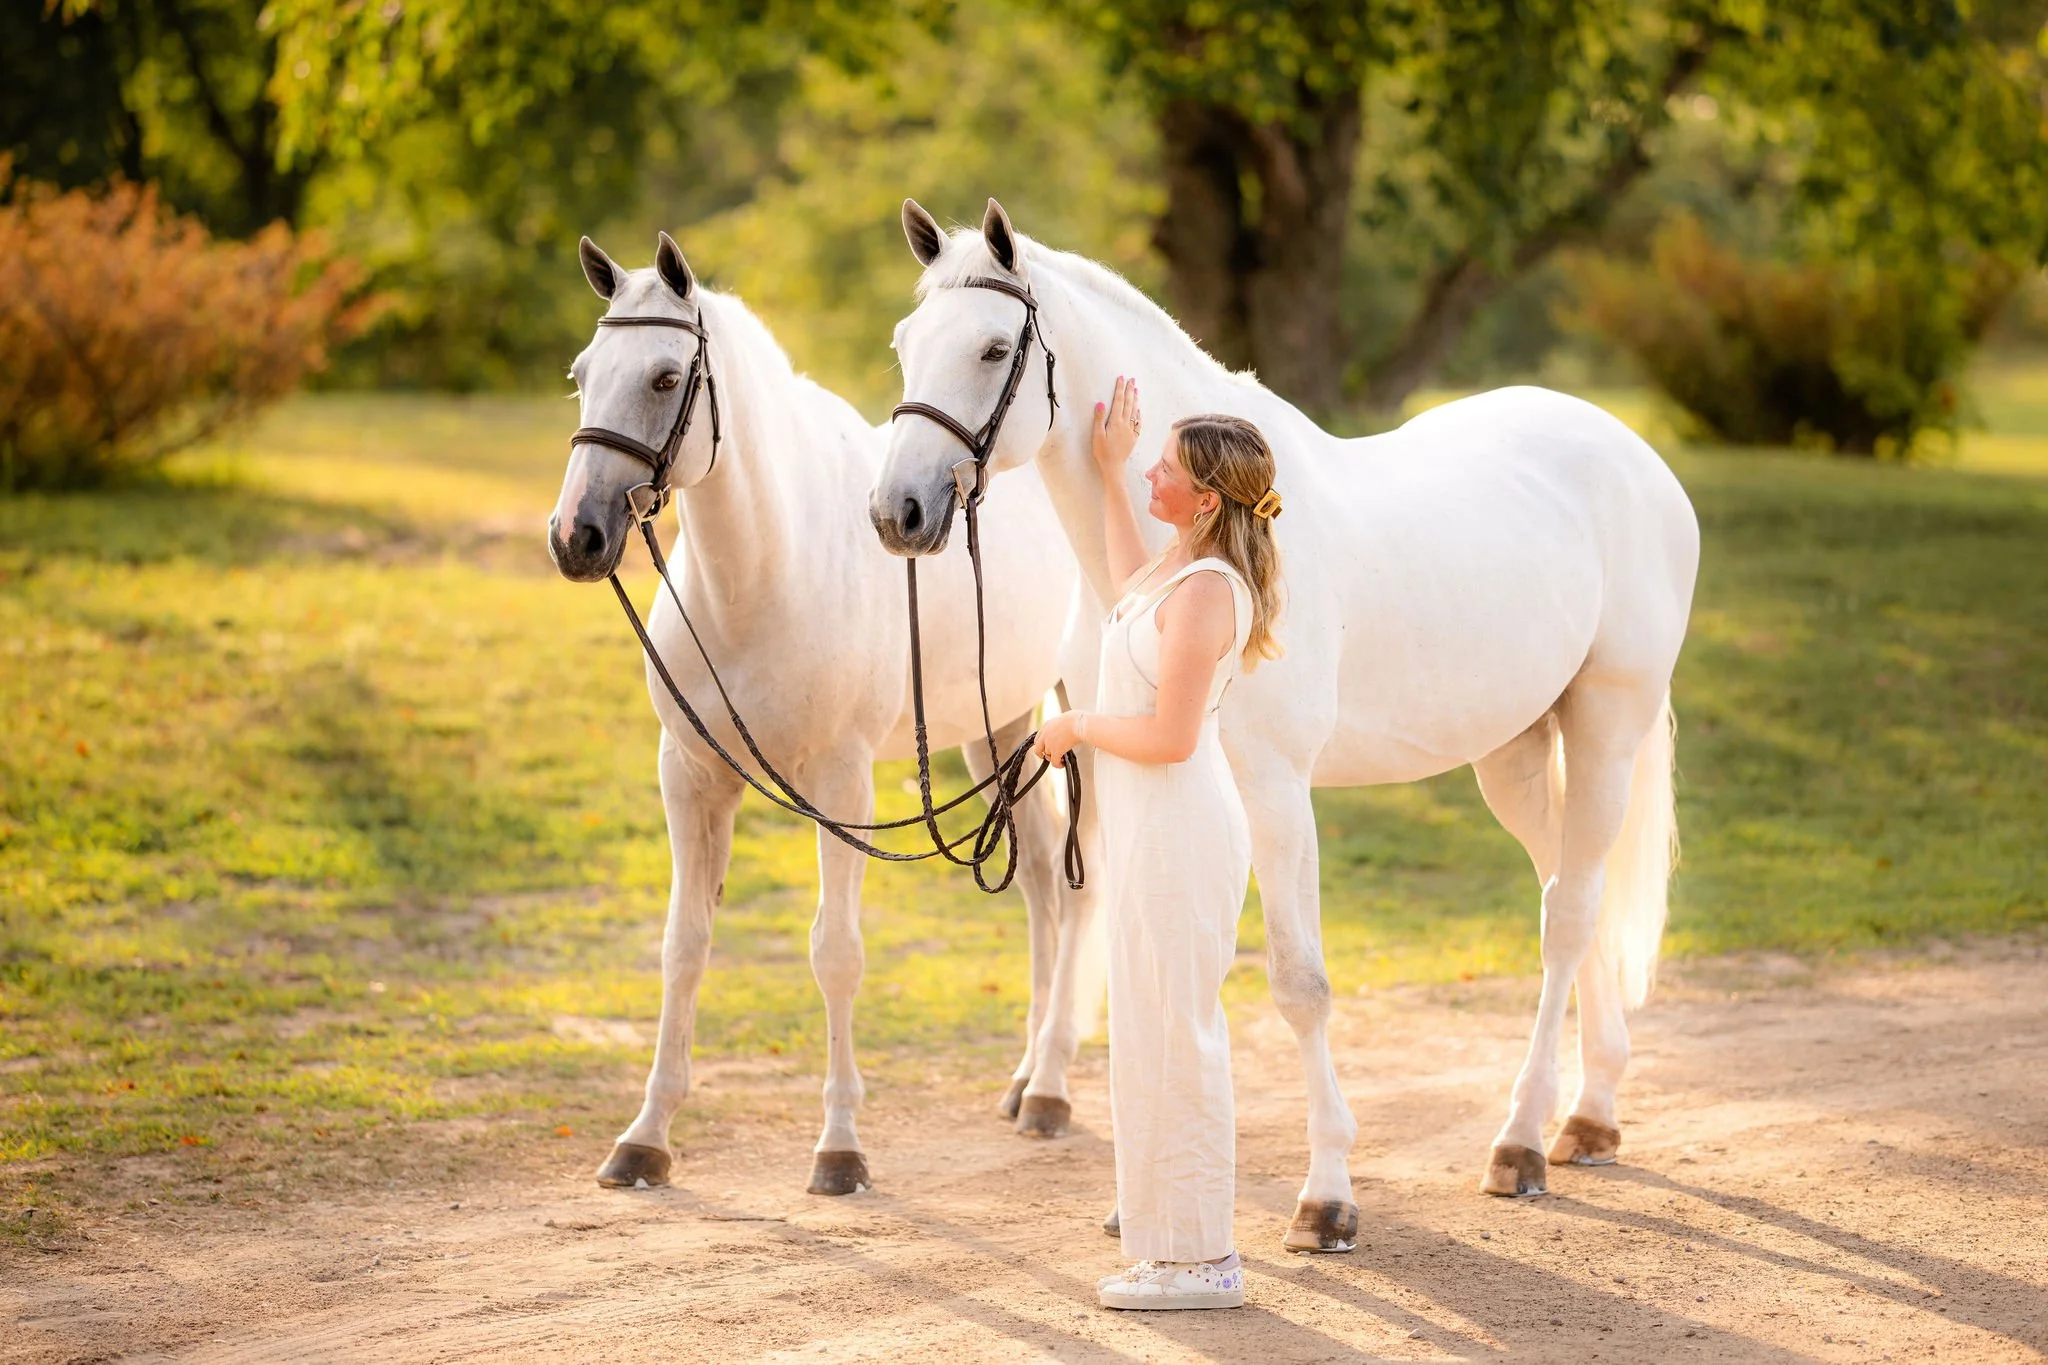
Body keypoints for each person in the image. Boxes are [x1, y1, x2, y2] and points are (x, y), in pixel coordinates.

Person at [1034, 377, 1285, 1312]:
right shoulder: (1174, 573)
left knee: (1179, 1036)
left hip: (1182, 831)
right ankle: (1164, 1246)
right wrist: (1106, 471)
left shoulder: (1212, 594)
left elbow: (1173, 735)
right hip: (1150, 832)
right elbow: (1123, 578)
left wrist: (1077, 728)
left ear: (1207, 499)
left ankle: (1205, 1258)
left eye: (1164, 465)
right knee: (1145, 1037)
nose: (1151, 467)